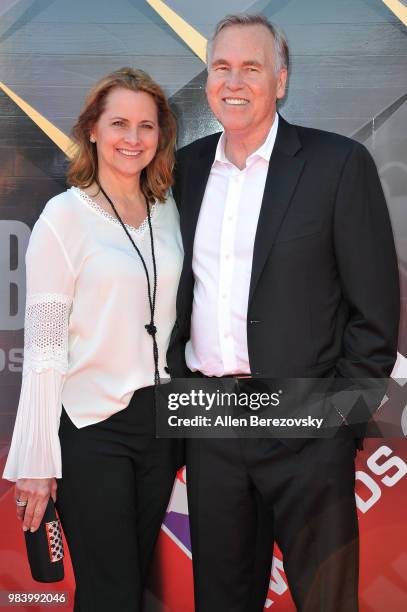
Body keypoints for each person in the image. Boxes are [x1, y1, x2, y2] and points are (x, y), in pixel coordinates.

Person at [167, 14, 400, 612]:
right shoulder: (185, 170)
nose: (234, 80)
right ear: (208, 79)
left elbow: (374, 313)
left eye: (252, 67)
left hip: (306, 426)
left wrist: (335, 423)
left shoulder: (337, 164)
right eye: (222, 67)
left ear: (282, 80)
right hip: (213, 424)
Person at [3, 67, 183, 611]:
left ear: (161, 136)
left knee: (133, 583)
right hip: (91, 430)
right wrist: (37, 459)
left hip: (161, 424)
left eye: (146, 126)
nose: (133, 138)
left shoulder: (167, 209)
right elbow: (45, 346)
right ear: (92, 131)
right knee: (111, 592)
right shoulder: (64, 218)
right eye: (119, 123)